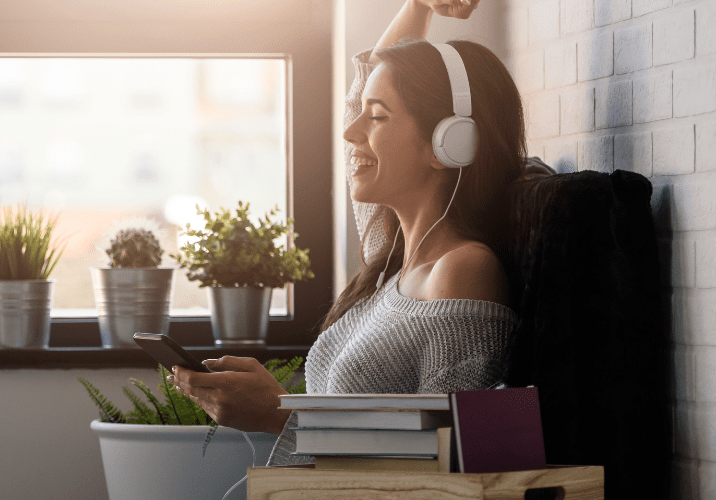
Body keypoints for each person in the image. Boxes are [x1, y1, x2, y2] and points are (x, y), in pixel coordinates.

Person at [170, 0, 546, 466]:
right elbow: (364, 89)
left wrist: (279, 415)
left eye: (377, 117)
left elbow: (453, 461)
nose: (350, 131)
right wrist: (419, 5)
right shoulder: (393, 258)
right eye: (362, 113)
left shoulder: (460, 271)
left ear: (450, 143)